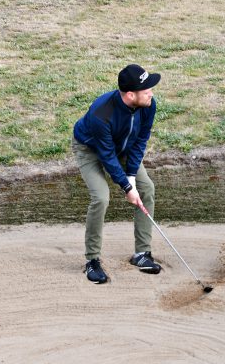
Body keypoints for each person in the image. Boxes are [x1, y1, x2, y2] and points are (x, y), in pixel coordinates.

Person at [72, 64, 162, 284]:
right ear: (131, 94)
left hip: (124, 148)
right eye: (146, 89)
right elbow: (106, 155)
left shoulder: (148, 104)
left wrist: (131, 176)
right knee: (101, 197)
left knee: (146, 188)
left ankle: (142, 254)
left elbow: (141, 140)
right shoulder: (100, 113)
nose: (151, 92)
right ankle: (92, 260)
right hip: (90, 150)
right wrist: (126, 188)